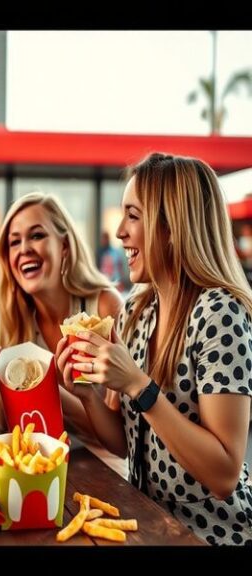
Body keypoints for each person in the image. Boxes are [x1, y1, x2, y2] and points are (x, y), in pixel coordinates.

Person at [57, 153, 252, 545]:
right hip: (150, 521)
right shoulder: (138, 308)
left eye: (133, 215)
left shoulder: (220, 313)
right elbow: (125, 443)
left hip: (212, 533)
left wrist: (140, 386)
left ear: (172, 226)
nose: (119, 232)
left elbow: (224, 474)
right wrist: (88, 395)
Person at [0, 192, 125, 476]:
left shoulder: (103, 307)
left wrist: (45, 385)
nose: (24, 249)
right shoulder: (15, 320)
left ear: (64, 246)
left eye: (37, 235)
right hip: (40, 473)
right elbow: (4, 428)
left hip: (108, 473)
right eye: (14, 242)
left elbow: (122, 437)